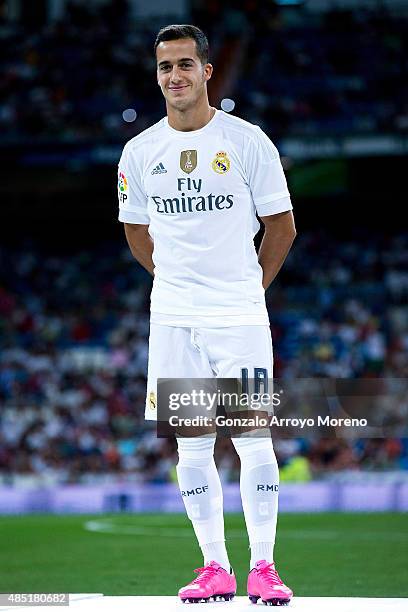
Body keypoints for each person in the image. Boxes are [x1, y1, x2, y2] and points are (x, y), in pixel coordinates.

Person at [117, 24, 296, 605]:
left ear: (207, 71)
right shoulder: (139, 151)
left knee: (252, 438)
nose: (175, 76)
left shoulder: (247, 142)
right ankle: (213, 567)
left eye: (185, 65)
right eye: (165, 67)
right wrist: (176, 284)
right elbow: (136, 232)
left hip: (239, 316)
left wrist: (248, 289)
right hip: (173, 318)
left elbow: (282, 227)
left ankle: (264, 568)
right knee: (191, 446)